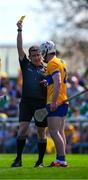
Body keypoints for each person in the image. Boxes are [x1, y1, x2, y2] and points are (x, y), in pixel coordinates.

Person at [11, 19, 47, 168]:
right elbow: (19, 48)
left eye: (38, 54)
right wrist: (19, 30)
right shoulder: (26, 64)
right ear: (30, 57)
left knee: (41, 132)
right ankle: (18, 159)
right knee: (23, 128)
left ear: (41, 55)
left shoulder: (47, 69)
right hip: (26, 102)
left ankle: (40, 161)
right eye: (33, 55)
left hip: (41, 103)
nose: (36, 57)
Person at [40, 41, 68, 167]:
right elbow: (55, 81)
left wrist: (54, 101)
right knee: (60, 132)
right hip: (63, 100)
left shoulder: (52, 63)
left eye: (42, 53)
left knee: (53, 131)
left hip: (56, 101)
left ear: (46, 51)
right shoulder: (61, 61)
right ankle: (60, 158)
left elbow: (58, 81)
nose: (42, 56)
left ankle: (61, 160)